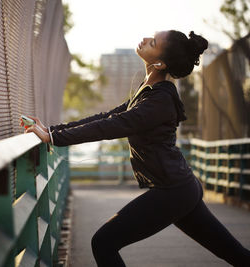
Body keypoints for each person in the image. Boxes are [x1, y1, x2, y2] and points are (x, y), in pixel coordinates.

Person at [21, 30, 250, 266]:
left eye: (152, 43)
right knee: (237, 255)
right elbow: (106, 117)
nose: (145, 40)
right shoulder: (147, 91)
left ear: (159, 63)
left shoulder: (159, 101)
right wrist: (51, 131)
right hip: (179, 189)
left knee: (103, 242)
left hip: (173, 190)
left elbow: (111, 127)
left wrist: (52, 137)